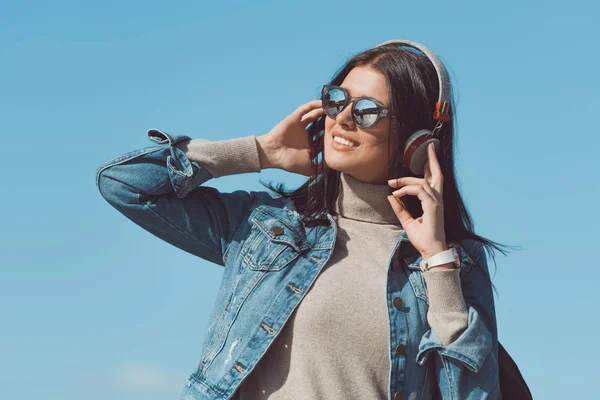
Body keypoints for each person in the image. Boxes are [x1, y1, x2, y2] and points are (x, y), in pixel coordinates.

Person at [96, 40, 510, 400]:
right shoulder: (267, 226)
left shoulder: (457, 263)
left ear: (418, 140)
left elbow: (475, 393)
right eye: (337, 100)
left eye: (368, 111)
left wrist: (438, 261)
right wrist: (259, 151)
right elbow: (125, 184)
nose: (343, 118)